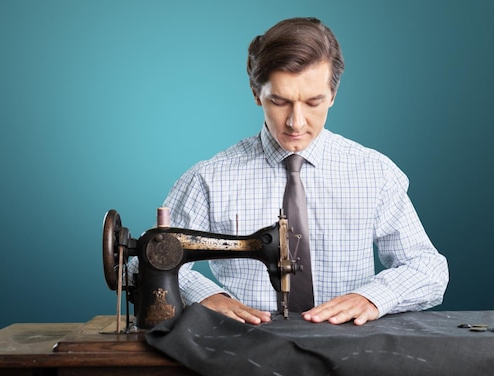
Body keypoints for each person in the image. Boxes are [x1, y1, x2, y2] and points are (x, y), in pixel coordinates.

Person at [152, 17, 449, 326]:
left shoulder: (375, 173)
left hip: (349, 350)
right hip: (244, 348)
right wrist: (206, 297)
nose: (296, 122)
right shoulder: (208, 179)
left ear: (333, 95)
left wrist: (372, 297)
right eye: (279, 101)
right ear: (256, 94)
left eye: (313, 102)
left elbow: (428, 268)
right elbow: (150, 263)